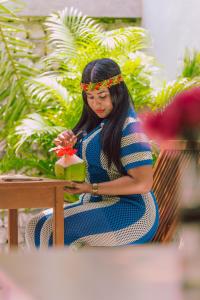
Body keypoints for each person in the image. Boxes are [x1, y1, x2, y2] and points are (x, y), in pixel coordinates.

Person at [25, 58, 159, 248]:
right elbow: (83, 173)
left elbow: (143, 183)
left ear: (117, 93)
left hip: (132, 212)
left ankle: (57, 278)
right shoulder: (93, 127)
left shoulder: (130, 129)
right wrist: (67, 150)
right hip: (96, 203)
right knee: (35, 225)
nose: (97, 104)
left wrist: (90, 188)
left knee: (52, 230)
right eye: (90, 96)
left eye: (102, 96)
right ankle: (47, 278)